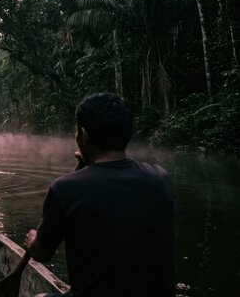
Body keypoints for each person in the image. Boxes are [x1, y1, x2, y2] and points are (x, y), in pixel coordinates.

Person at [24, 92, 175, 297]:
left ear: (84, 135)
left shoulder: (66, 188)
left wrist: (32, 239)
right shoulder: (160, 179)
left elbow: (41, 253)